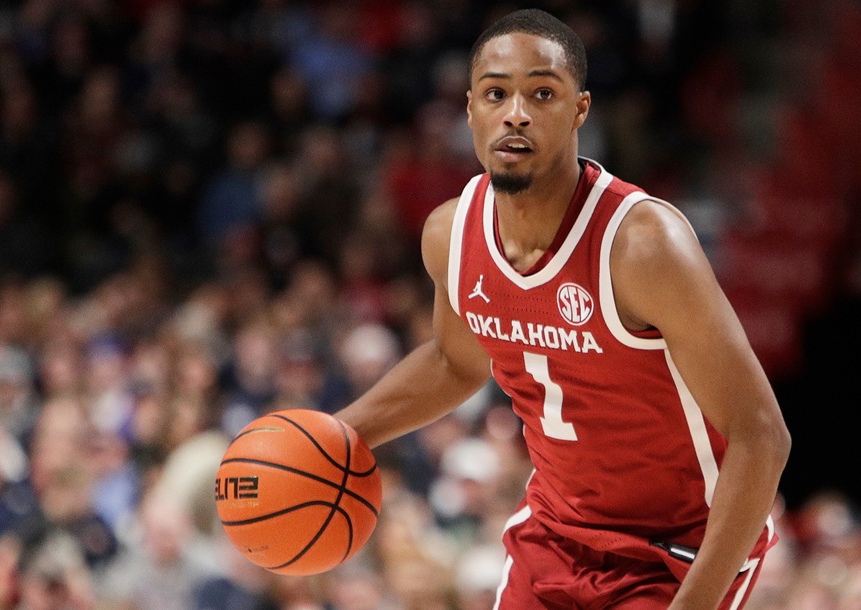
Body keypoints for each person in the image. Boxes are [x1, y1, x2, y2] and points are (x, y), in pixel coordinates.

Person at [336, 9, 791, 609]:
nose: (515, 112)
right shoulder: (452, 234)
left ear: (580, 110)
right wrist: (341, 434)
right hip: (553, 536)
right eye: (496, 93)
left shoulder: (643, 244)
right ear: (470, 109)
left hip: (676, 550)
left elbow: (761, 435)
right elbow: (456, 363)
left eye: (542, 93)